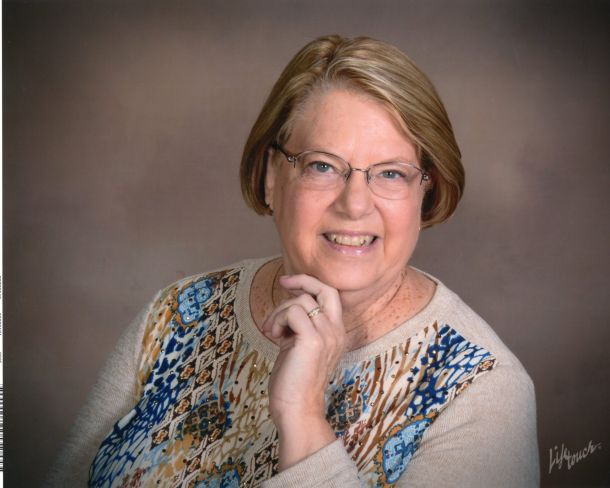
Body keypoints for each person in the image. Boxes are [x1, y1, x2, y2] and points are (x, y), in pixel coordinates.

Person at [47, 35, 539, 487]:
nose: (355, 204)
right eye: (322, 166)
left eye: (391, 173)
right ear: (270, 176)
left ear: (425, 190)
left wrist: (302, 416)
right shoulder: (177, 315)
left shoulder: (481, 389)